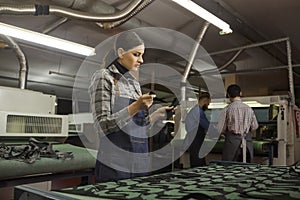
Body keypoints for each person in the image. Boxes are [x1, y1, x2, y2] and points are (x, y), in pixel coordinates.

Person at [89, 31, 171, 182]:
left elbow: (139, 127)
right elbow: (102, 126)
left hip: (139, 160)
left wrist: (154, 116)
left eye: (142, 55)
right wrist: (135, 107)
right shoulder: (104, 77)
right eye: (136, 54)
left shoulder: (133, 84)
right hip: (115, 161)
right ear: (121, 52)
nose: (141, 60)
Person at [217, 84, 259, 163]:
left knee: (230, 168)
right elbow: (255, 126)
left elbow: (220, 129)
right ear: (241, 93)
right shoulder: (249, 109)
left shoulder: (227, 109)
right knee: (246, 168)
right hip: (247, 144)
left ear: (228, 95)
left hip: (232, 145)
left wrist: (224, 134)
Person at [184, 92, 211, 167]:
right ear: (205, 101)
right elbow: (206, 125)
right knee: (197, 163)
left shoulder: (195, 110)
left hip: (195, 140)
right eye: (208, 103)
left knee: (198, 160)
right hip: (195, 140)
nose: (208, 106)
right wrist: (218, 133)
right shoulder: (198, 111)